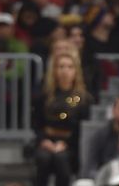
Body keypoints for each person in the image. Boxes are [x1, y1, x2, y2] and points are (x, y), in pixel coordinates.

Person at [32, 50, 93, 186]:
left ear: (76, 71)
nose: (65, 71)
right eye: (61, 67)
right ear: (54, 71)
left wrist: (66, 143)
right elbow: (36, 122)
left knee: (61, 159)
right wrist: (43, 140)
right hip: (46, 140)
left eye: (70, 67)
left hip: (71, 143)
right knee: (43, 158)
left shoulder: (82, 98)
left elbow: (83, 127)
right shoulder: (45, 95)